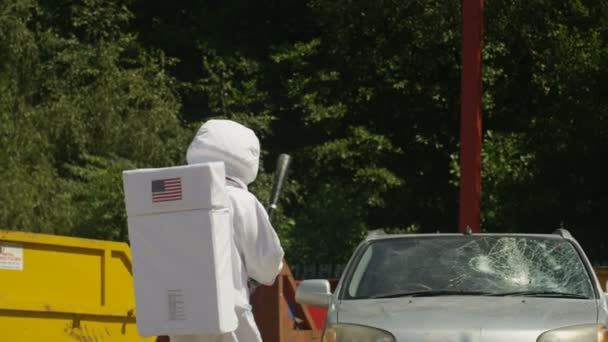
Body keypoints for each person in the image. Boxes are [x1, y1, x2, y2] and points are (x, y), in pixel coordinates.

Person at [169, 119, 285, 342]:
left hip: (179, 318)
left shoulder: (173, 200)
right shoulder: (241, 200)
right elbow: (268, 268)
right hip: (228, 317)